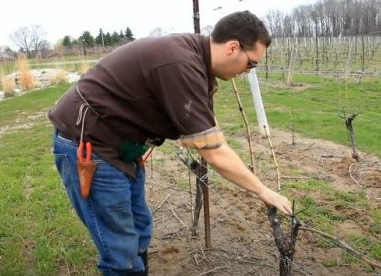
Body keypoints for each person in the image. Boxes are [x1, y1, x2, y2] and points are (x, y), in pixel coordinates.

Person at [48, 10, 292, 276]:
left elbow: (204, 132)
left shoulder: (196, 61)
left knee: (140, 227)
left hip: (121, 147)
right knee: (120, 249)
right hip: (90, 146)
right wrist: (262, 190)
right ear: (233, 47)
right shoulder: (181, 64)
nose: (248, 71)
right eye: (251, 63)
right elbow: (213, 151)